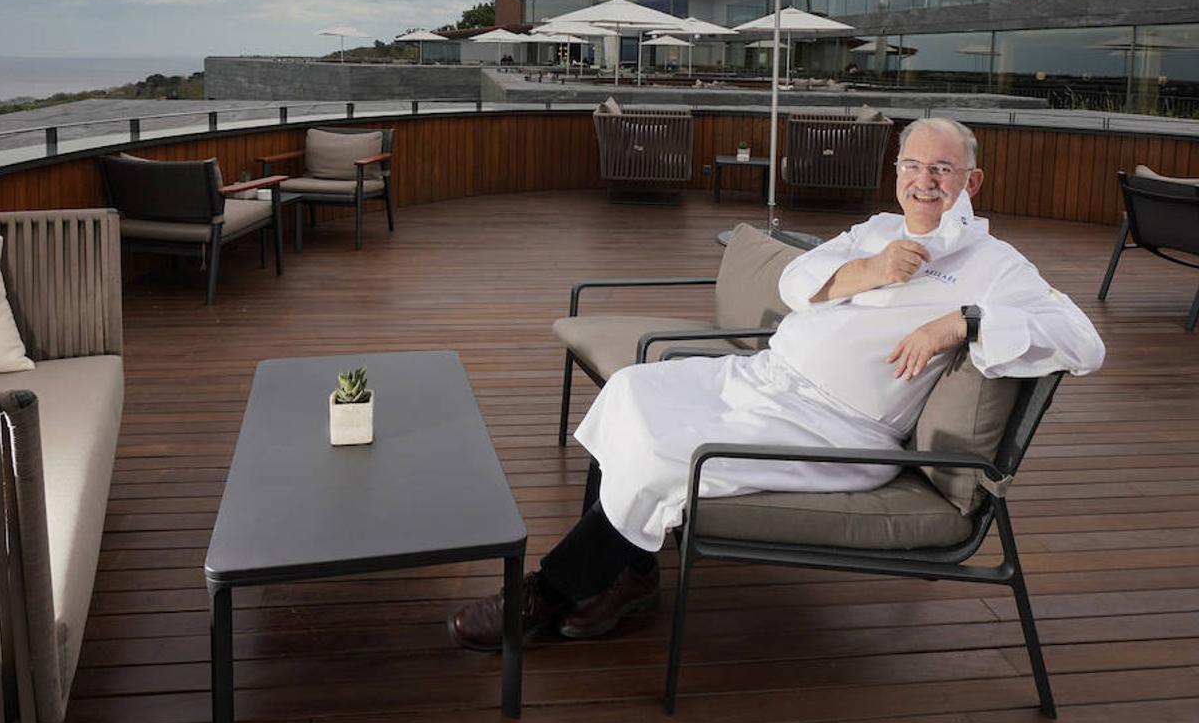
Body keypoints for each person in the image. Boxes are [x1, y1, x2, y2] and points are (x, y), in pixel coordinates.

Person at [449, 117, 1106, 650]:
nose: (925, 181)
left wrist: (962, 321)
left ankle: (545, 595)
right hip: (765, 379)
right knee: (630, 393)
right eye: (913, 165)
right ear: (896, 171)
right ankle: (631, 574)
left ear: (973, 180)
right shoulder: (876, 232)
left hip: (837, 428)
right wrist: (870, 270)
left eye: (943, 169)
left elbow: (1084, 338)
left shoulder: (995, 267)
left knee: (661, 455)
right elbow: (797, 283)